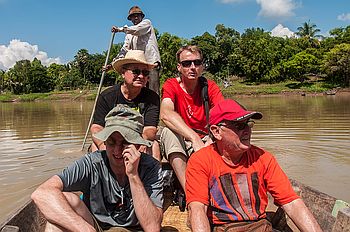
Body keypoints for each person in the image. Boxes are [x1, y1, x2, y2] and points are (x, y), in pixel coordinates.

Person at [186, 99, 322, 232]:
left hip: (259, 226)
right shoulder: (200, 161)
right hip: (223, 227)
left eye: (248, 124)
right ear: (216, 132)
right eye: (239, 126)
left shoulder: (263, 158)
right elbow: (198, 208)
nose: (247, 131)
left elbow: (292, 203)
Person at [31, 105, 164, 232]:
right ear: (105, 141)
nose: (117, 151)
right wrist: (86, 229)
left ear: (137, 145)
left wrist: (133, 175)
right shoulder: (92, 162)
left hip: (136, 228)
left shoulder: (151, 167)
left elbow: (152, 227)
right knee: (65, 204)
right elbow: (41, 193)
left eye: (125, 143)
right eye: (111, 142)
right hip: (97, 227)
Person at [160, 45, 224, 193]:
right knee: (168, 133)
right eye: (187, 63)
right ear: (179, 67)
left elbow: (223, 115)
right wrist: (194, 138)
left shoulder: (210, 87)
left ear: (202, 66)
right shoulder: (171, 85)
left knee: (225, 134)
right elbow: (165, 113)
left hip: (206, 139)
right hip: (183, 139)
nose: (192, 67)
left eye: (197, 63)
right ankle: (190, 192)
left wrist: (212, 138)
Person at [90, 49, 160, 161]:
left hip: (137, 139)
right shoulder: (107, 96)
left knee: (154, 145)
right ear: (123, 73)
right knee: (95, 147)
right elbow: (97, 127)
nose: (141, 76)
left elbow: (150, 128)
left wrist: (141, 143)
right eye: (136, 71)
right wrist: (102, 145)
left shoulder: (152, 98)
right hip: (112, 139)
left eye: (145, 73)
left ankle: (154, 178)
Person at [110, 5, 161, 95]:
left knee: (153, 92)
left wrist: (120, 29)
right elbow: (124, 50)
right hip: (139, 66)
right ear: (130, 19)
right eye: (133, 16)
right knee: (139, 91)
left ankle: (156, 109)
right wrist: (112, 64)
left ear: (141, 17)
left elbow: (137, 30)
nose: (136, 17)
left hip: (152, 63)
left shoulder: (146, 24)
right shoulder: (129, 34)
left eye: (138, 15)